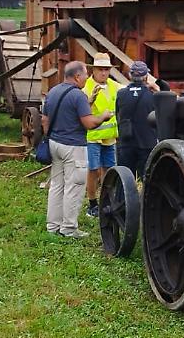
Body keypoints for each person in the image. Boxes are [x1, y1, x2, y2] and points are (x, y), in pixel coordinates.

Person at [43, 60, 113, 238]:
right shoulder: (78, 95)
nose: (87, 78)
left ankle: (53, 226)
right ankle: (69, 228)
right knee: (74, 186)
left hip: (55, 144)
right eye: (85, 75)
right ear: (76, 76)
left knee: (57, 186)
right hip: (73, 147)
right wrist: (103, 116)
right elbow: (89, 123)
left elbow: (45, 119)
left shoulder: (53, 91)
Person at [83, 54, 121, 218]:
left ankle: (106, 201)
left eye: (106, 69)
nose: (104, 73)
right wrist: (90, 100)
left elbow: (127, 91)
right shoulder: (86, 88)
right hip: (93, 137)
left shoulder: (114, 86)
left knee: (109, 170)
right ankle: (92, 203)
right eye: (100, 69)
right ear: (93, 70)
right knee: (93, 170)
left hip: (110, 137)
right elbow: (82, 110)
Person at [115, 60, 161, 180]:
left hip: (126, 143)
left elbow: (118, 115)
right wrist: (158, 90)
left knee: (124, 180)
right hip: (147, 143)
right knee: (148, 180)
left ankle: (122, 194)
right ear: (146, 76)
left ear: (130, 75)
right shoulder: (152, 95)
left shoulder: (121, 94)